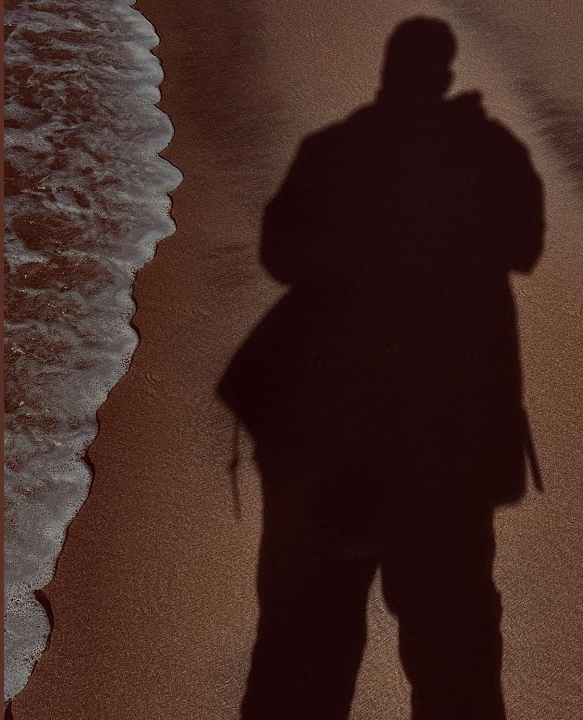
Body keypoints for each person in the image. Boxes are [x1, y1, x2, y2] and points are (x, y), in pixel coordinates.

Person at [218, 16, 544, 720]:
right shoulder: (490, 153)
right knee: (453, 659)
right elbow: (525, 243)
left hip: (331, 443)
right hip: (446, 450)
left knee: (304, 657)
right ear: (445, 74)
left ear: (389, 72)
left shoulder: (333, 150)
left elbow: (280, 256)